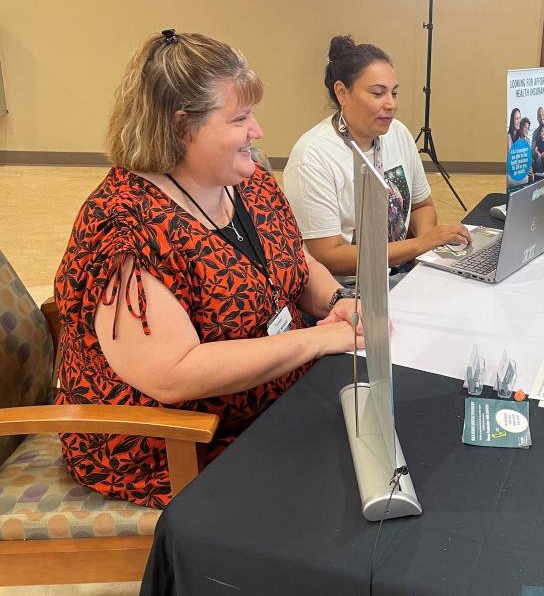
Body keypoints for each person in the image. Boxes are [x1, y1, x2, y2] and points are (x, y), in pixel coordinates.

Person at [54, 31, 364, 508]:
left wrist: (338, 303)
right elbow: (174, 375)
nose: (257, 131)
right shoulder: (123, 228)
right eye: (239, 118)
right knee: (335, 497)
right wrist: (318, 339)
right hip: (175, 444)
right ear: (182, 127)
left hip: (273, 401)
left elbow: (293, 260)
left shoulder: (245, 178)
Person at [284, 36, 469, 278]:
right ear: (342, 93)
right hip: (351, 290)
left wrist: (420, 253)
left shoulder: (398, 133)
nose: (391, 104)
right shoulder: (312, 157)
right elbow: (328, 256)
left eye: (394, 93)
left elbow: (422, 206)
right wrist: (419, 245)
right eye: (378, 93)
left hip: (402, 268)